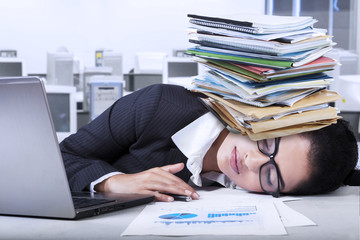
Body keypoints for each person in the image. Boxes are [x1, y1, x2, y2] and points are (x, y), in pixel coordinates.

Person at [60, 84, 359, 202]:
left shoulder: (243, 191)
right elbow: (61, 156)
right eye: (268, 143)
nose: (251, 163)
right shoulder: (158, 106)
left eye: (270, 176)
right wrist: (112, 182)